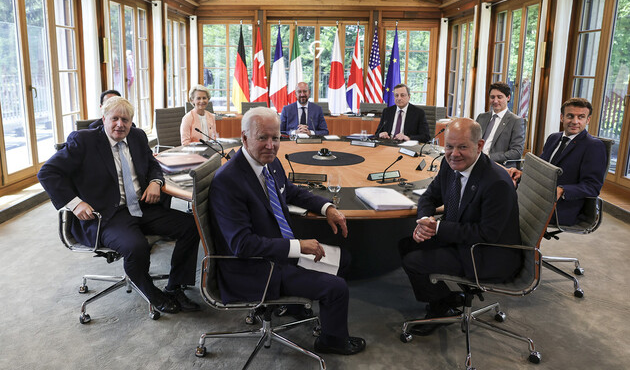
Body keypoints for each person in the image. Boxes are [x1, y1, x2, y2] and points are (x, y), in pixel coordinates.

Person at [209, 106, 365, 355]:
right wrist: (297, 246)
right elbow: (242, 245)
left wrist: (326, 208)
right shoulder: (228, 180)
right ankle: (332, 342)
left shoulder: (268, 162)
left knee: (343, 259)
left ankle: (292, 305)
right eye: (263, 137)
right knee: (336, 288)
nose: (271, 145)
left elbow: (291, 191)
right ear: (244, 138)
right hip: (254, 269)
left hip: (278, 253)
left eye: (276, 137)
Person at [38, 97, 200, 314]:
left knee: (191, 225)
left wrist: (155, 182)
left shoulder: (137, 136)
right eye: (114, 119)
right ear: (104, 118)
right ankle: (151, 292)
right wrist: (75, 204)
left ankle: (175, 286)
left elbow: (152, 163)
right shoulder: (84, 140)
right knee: (136, 247)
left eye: (125, 120)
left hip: (141, 206)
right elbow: (47, 172)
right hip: (107, 215)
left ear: (131, 121)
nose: (120, 124)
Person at [398, 117, 522, 336]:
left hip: (487, 253)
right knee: (406, 245)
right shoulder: (449, 164)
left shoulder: (497, 183)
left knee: (414, 261)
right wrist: (425, 221)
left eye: (462, 147)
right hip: (461, 238)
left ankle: (440, 310)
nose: (454, 154)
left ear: (479, 145)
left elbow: (487, 233)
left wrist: (437, 228)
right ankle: (446, 298)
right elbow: (429, 196)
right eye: (449, 146)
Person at [508, 98, 607, 226]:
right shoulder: (553, 138)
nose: (575, 121)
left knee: (503, 210)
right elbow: (541, 168)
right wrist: (522, 173)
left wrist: (562, 190)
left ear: (588, 120)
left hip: (561, 207)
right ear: (562, 117)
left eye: (581, 117)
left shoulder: (593, 146)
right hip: (537, 196)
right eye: (570, 116)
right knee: (495, 199)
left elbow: (592, 186)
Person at [475, 82, 525, 167]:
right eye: (492, 97)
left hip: (496, 165)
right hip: (475, 161)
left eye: (499, 97)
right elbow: (472, 140)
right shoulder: (481, 117)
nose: (495, 101)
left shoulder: (516, 121)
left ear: (508, 97)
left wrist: (488, 157)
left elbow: (516, 152)